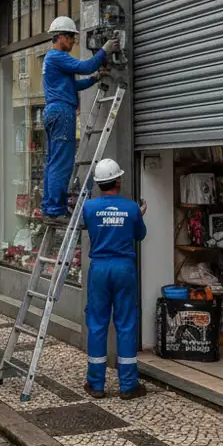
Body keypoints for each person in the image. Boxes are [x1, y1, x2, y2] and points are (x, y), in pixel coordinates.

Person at [80, 158, 148, 401]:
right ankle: (128, 385)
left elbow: (86, 225)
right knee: (126, 323)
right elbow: (140, 235)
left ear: (98, 184)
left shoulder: (88, 207)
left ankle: (96, 384)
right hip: (123, 268)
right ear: (118, 180)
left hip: (99, 268)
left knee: (97, 323)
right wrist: (138, 216)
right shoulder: (131, 208)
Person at [41, 16, 114, 219]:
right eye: (72, 37)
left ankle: (50, 207)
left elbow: (75, 85)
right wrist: (105, 50)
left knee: (53, 161)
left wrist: (94, 79)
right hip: (62, 112)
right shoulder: (57, 56)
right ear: (61, 37)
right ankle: (56, 209)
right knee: (62, 162)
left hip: (53, 110)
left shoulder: (52, 60)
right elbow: (85, 66)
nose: (74, 42)